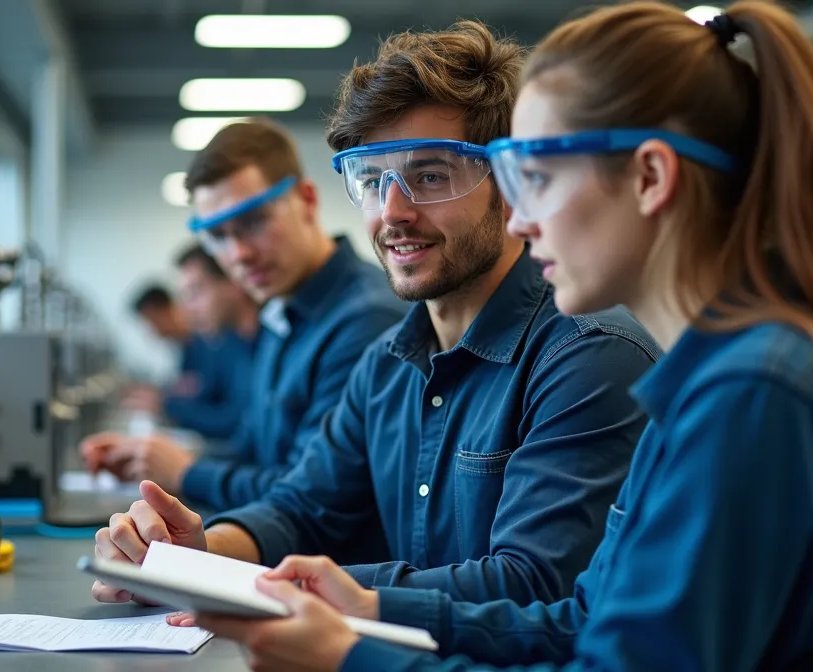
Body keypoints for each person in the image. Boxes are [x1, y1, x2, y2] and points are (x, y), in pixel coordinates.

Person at [188, 3, 813, 671]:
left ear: (651, 178)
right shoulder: (705, 382)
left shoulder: (755, 394)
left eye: (537, 178)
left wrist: (356, 654)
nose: (522, 219)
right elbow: (588, 618)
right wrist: (365, 606)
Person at [90, 21, 660, 608]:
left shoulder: (587, 355)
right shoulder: (386, 363)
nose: (393, 213)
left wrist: (268, 586)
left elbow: (530, 585)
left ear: (511, 180)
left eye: (430, 176)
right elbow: (302, 507)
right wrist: (196, 557)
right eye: (371, 179)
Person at [81, 119, 408, 510]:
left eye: (254, 222)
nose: (237, 254)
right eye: (218, 236)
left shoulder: (364, 320)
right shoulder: (281, 312)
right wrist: (150, 460)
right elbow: (253, 449)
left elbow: (314, 495)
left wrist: (186, 473)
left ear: (306, 200)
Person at [122, 245, 259, 441]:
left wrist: (167, 406)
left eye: (196, 292)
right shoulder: (233, 343)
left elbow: (236, 422)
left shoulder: (253, 344)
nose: (186, 309)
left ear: (234, 281)